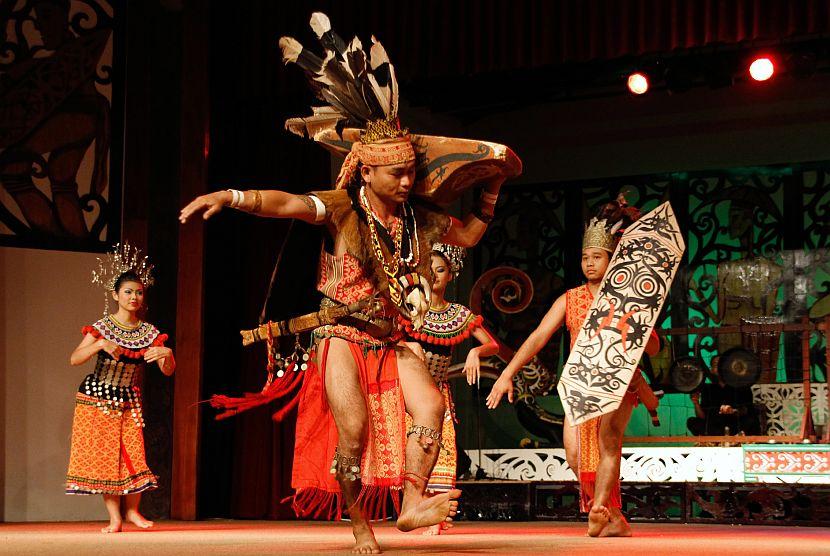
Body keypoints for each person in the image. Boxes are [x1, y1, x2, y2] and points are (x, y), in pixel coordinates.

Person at [180, 13, 519, 554]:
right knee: (354, 433)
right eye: (396, 174)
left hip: (392, 337)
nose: (408, 181)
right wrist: (235, 196)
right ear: (367, 171)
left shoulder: (418, 218)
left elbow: (471, 235)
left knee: (431, 409)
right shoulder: (344, 208)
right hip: (341, 334)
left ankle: (409, 506)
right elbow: (288, 204)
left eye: (412, 171)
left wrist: (493, 186)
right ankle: (360, 524)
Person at [486, 199, 659, 538]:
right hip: (579, 384)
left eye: (597, 257)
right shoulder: (570, 298)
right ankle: (613, 518)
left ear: (612, 260)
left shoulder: (627, 298)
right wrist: (507, 373)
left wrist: (635, 321)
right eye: (585, 257)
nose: (590, 263)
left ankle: (599, 509)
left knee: (609, 441)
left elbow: (652, 346)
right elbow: (537, 337)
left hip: (617, 380)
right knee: (575, 455)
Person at [65, 243, 174, 533]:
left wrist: (168, 355)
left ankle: (133, 511)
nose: (134, 297)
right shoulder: (102, 327)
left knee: (135, 452)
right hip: (97, 397)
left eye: (138, 292)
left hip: (128, 398)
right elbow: (75, 359)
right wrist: (99, 344)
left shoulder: (149, 332)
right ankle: (115, 517)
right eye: (128, 292)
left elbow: (167, 371)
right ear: (115, 295)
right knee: (106, 456)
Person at [402, 243, 499, 535]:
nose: (434, 276)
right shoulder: (410, 308)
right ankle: (412, 506)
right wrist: (410, 346)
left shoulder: (458, 314)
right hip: (409, 392)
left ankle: (437, 515)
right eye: (428, 270)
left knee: (441, 451)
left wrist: (475, 353)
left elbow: (491, 344)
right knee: (411, 449)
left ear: (451, 274)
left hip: (438, 392)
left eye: (440, 270)